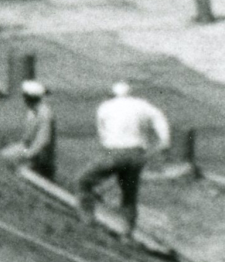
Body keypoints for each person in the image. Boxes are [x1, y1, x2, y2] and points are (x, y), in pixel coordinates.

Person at [72, 81, 169, 237]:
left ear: (113, 94)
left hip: (113, 152)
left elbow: (102, 133)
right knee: (129, 195)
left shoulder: (105, 107)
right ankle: (126, 233)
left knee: (82, 181)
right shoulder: (142, 105)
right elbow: (159, 117)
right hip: (137, 154)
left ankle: (87, 221)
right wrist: (165, 140)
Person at [0, 78, 57, 182]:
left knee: (5, 161)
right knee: (0, 157)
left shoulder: (45, 114)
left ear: (29, 97)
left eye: (24, 96)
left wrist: (26, 155)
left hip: (40, 161)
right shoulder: (32, 112)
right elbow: (27, 140)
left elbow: (43, 141)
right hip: (29, 151)